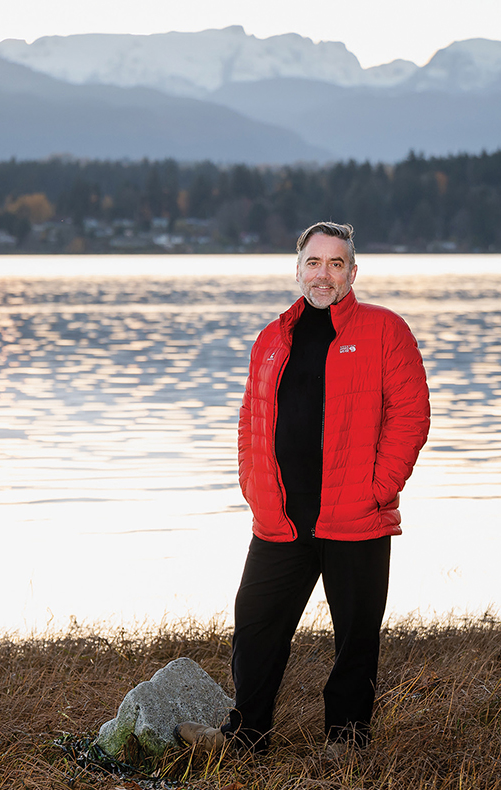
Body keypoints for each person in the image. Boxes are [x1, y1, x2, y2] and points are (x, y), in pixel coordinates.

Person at [176, 221, 430, 755]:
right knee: (255, 626)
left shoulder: (386, 331)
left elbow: (411, 416)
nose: (323, 274)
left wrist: (378, 488)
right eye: (313, 263)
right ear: (297, 270)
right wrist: (253, 486)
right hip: (282, 517)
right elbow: (250, 417)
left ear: (353, 272)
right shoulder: (271, 337)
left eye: (336, 263)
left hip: (356, 514)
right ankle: (245, 737)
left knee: (355, 639)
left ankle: (346, 742)